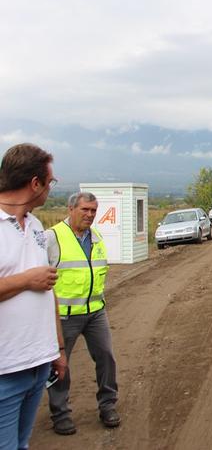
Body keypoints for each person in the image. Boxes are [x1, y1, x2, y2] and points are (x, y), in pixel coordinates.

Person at [0, 143, 68, 450]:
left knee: (22, 444)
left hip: (38, 363)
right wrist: (28, 279)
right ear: (34, 183)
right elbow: (37, 281)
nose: (50, 189)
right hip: (6, 370)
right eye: (50, 182)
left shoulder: (38, 225)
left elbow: (47, 291)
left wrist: (57, 348)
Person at [45, 192, 120, 435]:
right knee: (60, 365)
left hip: (96, 312)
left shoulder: (96, 237)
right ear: (70, 209)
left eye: (93, 211)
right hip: (64, 316)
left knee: (106, 357)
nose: (89, 215)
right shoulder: (52, 237)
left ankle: (107, 405)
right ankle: (60, 413)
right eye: (85, 209)